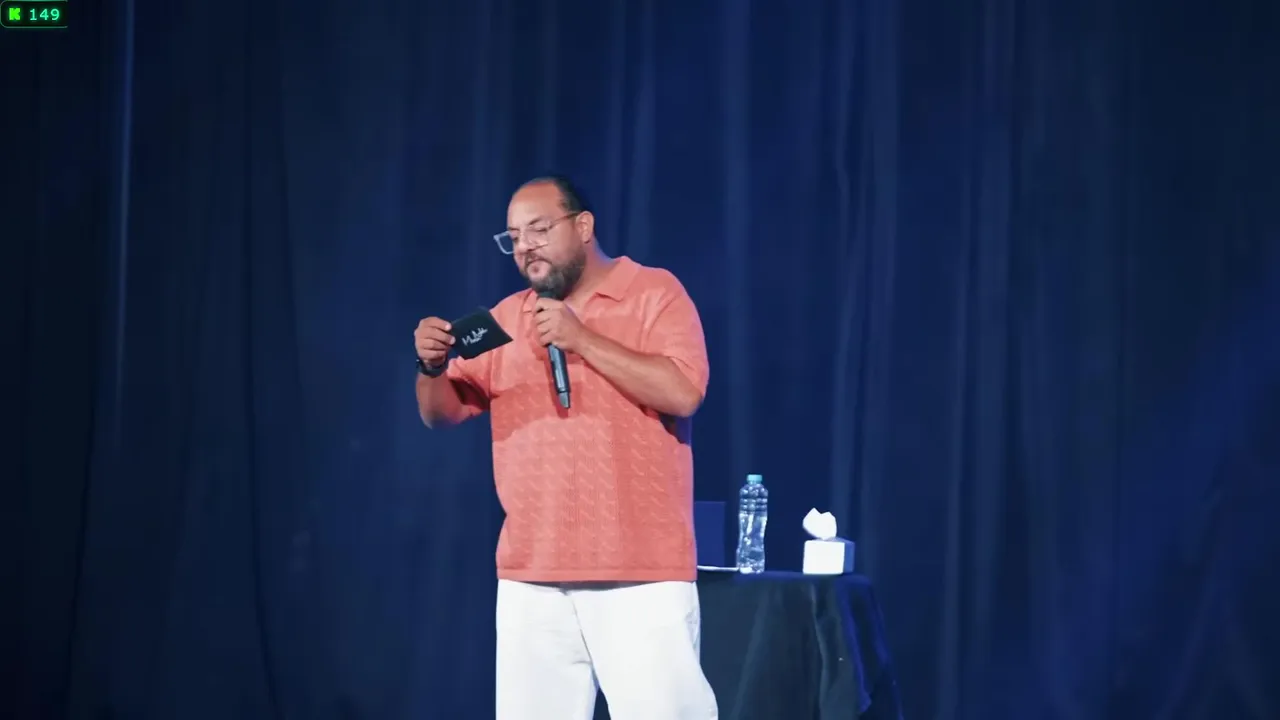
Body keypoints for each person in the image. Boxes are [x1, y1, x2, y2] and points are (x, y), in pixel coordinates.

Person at [413, 176, 719, 720]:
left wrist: (582, 339)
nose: (525, 247)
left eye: (538, 229)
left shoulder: (653, 292)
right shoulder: (505, 319)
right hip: (532, 577)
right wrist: (431, 366)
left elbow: (683, 392)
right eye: (513, 237)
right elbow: (442, 414)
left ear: (583, 226)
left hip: (639, 574)